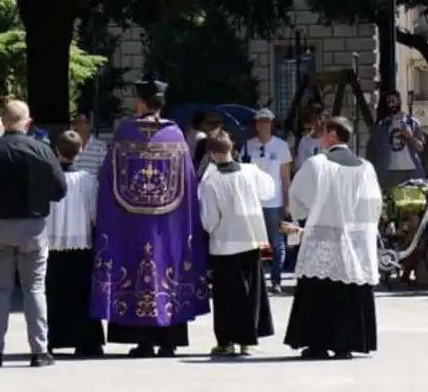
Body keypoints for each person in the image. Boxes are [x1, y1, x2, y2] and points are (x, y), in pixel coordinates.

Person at [90, 76, 210, 358]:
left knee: (132, 270)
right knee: (167, 269)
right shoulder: (175, 135)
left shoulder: (124, 133)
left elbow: (107, 179)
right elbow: (189, 181)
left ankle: (142, 342)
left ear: (140, 103)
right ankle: (169, 341)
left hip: (130, 223)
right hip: (167, 225)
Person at [0, 98, 67, 368]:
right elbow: (60, 189)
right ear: (27, 123)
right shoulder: (41, 149)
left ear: (3, 122)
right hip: (33, 227)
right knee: (34, 288)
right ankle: (40, 351)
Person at [284, 116, 382, 360]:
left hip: (323, 239)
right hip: (354, 242)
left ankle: (318, 344)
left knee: (320, 292)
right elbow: (373, 204)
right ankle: (345, 344)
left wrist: (303, 216)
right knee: (349, 289)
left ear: (333, 136)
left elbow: (298, 195)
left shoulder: (317, 164)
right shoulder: (365, 168)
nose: (320, 138)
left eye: (323, 133)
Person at [199, 129, 275, 356]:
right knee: (251, 292)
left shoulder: (210, 181)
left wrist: (209, 230)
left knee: (226, 296)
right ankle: (247, 339)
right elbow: (269, 192)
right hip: (250, 239)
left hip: (224, 244)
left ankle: (226, 341)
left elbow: (210, 219)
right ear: (230, 147)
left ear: (212, 154)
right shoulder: (251, 172)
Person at [44, 130, 105, 356]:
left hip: (52, 243)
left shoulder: (48, 179)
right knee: (83, 293)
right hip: (83, 242)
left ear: (56, 151)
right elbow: (95, 213)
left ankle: (54, 338)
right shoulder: (88, 181)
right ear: (80, 152)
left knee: (55, 292)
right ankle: (88, 341)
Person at [240, 108, 293, 295]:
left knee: (278, 242)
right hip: (254, 202)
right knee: (255, 243)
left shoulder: (281, 146)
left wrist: (287, 202)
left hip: (275, 201)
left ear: (271, 123)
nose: (263, 125)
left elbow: (285, 177)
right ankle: (258, 280)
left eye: (266, 121)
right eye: (260, 121)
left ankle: (276, 279)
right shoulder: (248, 146)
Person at [366, 90, 426, 190]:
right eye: (388, 102)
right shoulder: (382, 126)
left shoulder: (413, 123)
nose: (391, 105)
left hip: (412, 172)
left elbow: (420, 148)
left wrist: (410, 136)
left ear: (399, 101)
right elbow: (374, 149)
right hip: (389, 173)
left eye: (393, 101)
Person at [294, 104, 325, 171]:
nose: (319, 125)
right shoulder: (305, 141)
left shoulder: (329, 141)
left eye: (322, 122)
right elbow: (299, 165)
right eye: (316, 121)